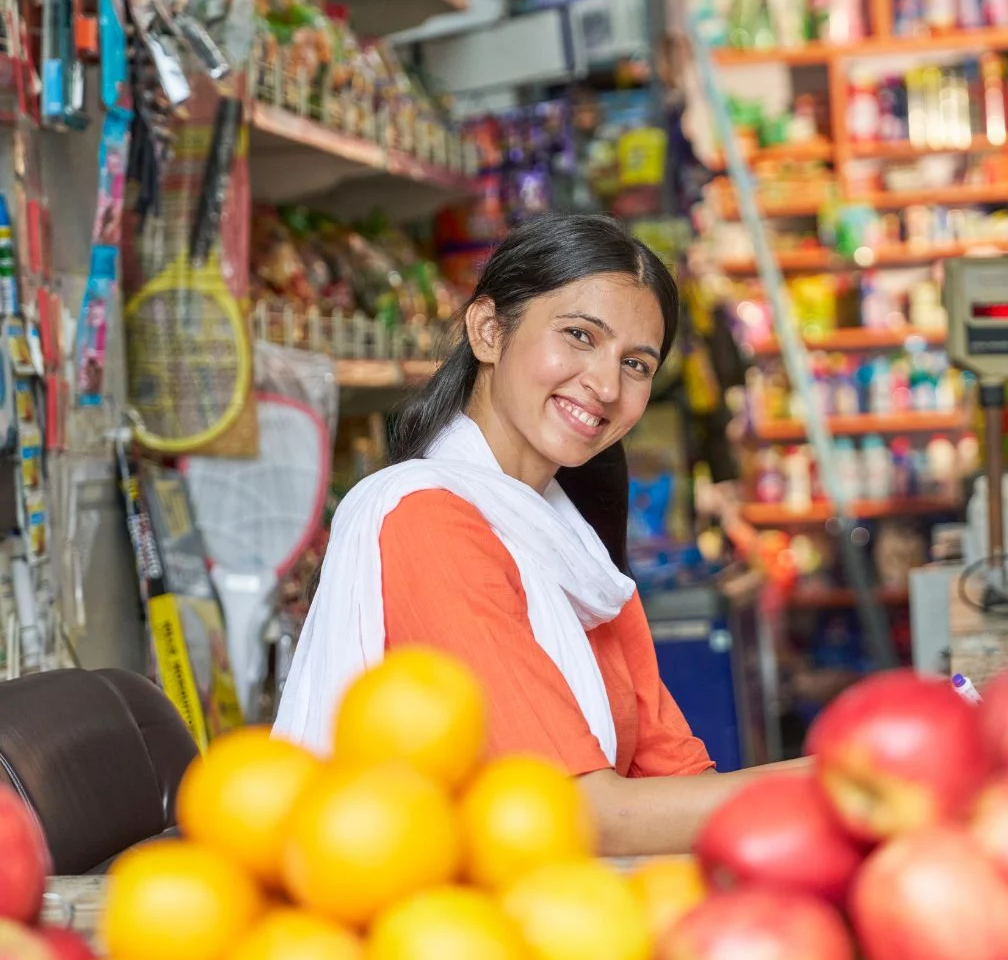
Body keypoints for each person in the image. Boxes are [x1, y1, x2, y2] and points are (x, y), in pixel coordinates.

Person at [274, 214, 803, 856]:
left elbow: (682, 784)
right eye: (580, 336)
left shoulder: (573, 552)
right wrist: (839, 780)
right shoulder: (428, 524)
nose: (606, 386)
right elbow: (576, 813)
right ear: (488, 331)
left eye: (635, 364)